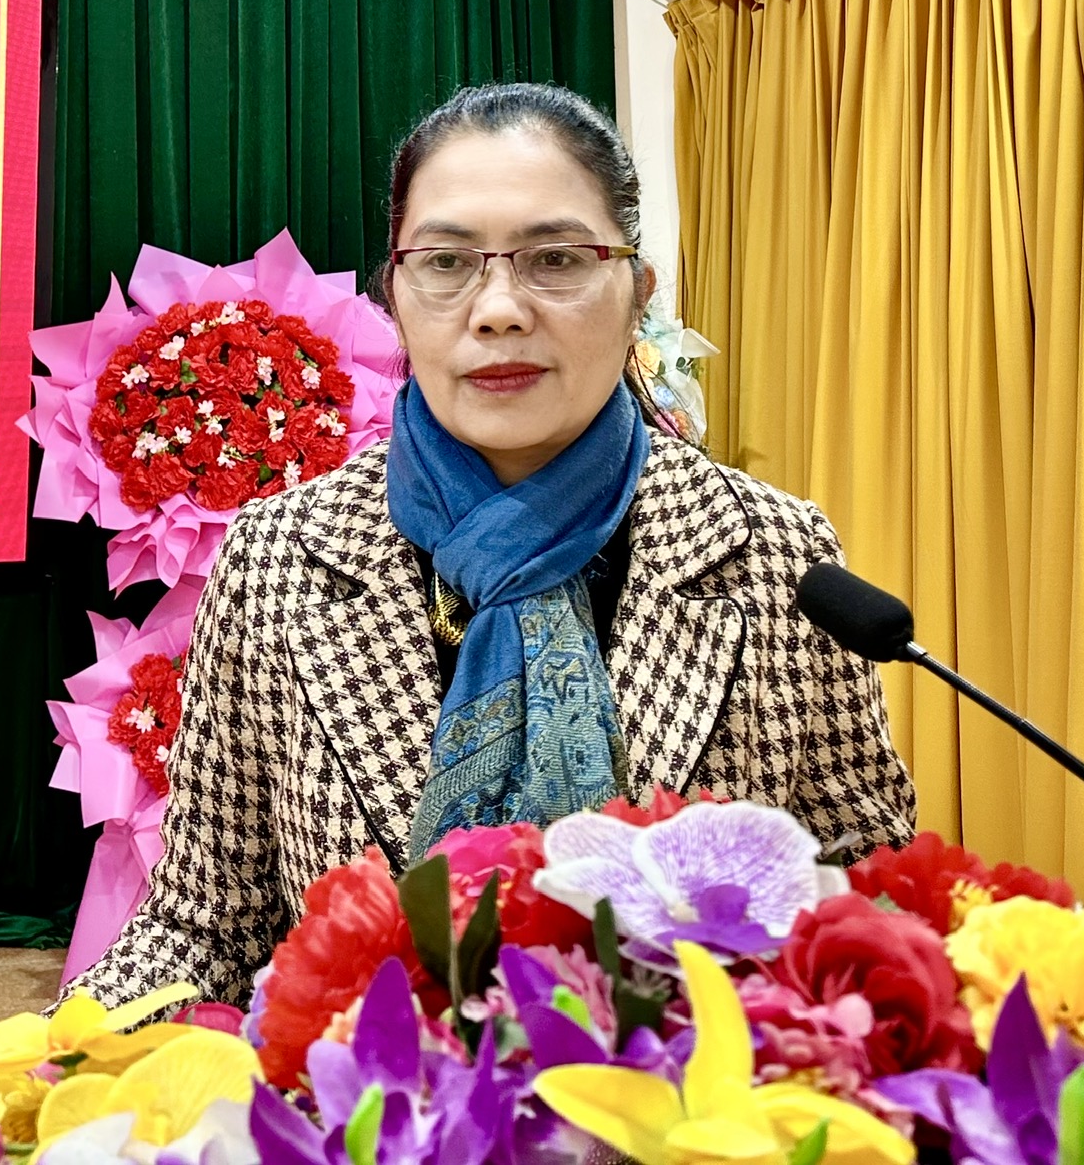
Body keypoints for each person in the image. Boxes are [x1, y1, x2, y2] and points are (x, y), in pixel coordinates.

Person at [69, 83, 914, 1008]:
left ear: (638, 291)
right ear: (394, 294)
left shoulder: (774, 555)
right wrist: (53, 1065)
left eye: (557, 258)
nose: (500, 308)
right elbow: (203, 924)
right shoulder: (278, 559)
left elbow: (860, 893)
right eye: (446, 263)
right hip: (375, 1090)